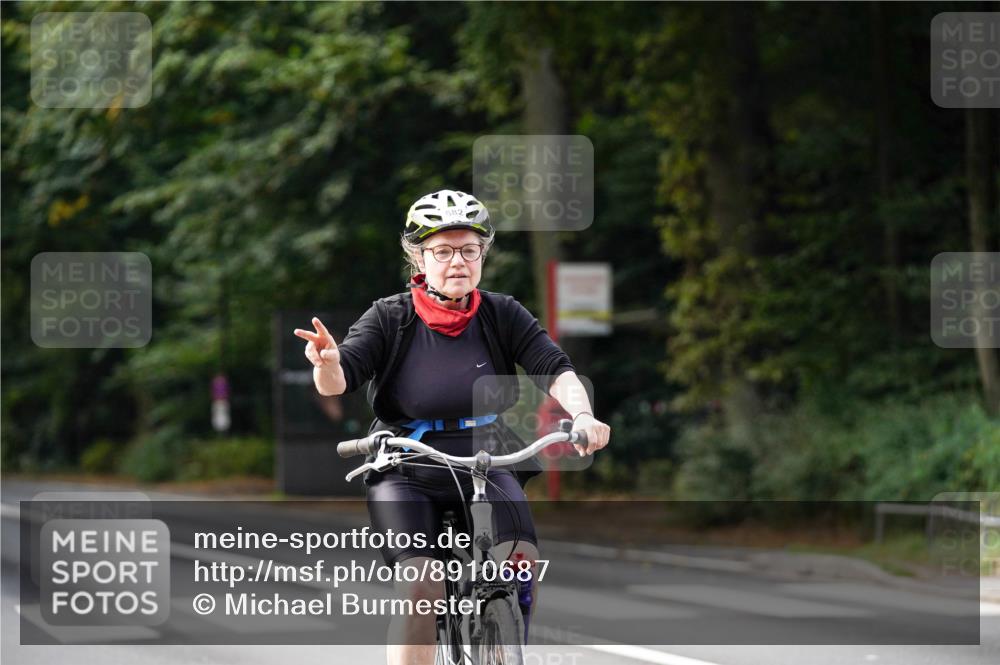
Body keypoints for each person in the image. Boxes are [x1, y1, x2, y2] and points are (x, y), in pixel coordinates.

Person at [294, 189, 611, 665]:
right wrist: (327, 362)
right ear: (419, 257)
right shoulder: (389, 316)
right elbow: (339, 380)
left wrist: (582, 415)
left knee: (520, 561)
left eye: (469, 249)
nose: (457, 261)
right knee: (421, 582)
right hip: (406, 460)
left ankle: (505, 650)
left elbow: (554, 368)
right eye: (442, 251)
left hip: (486, 454)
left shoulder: (502, 313)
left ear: (483, 254)